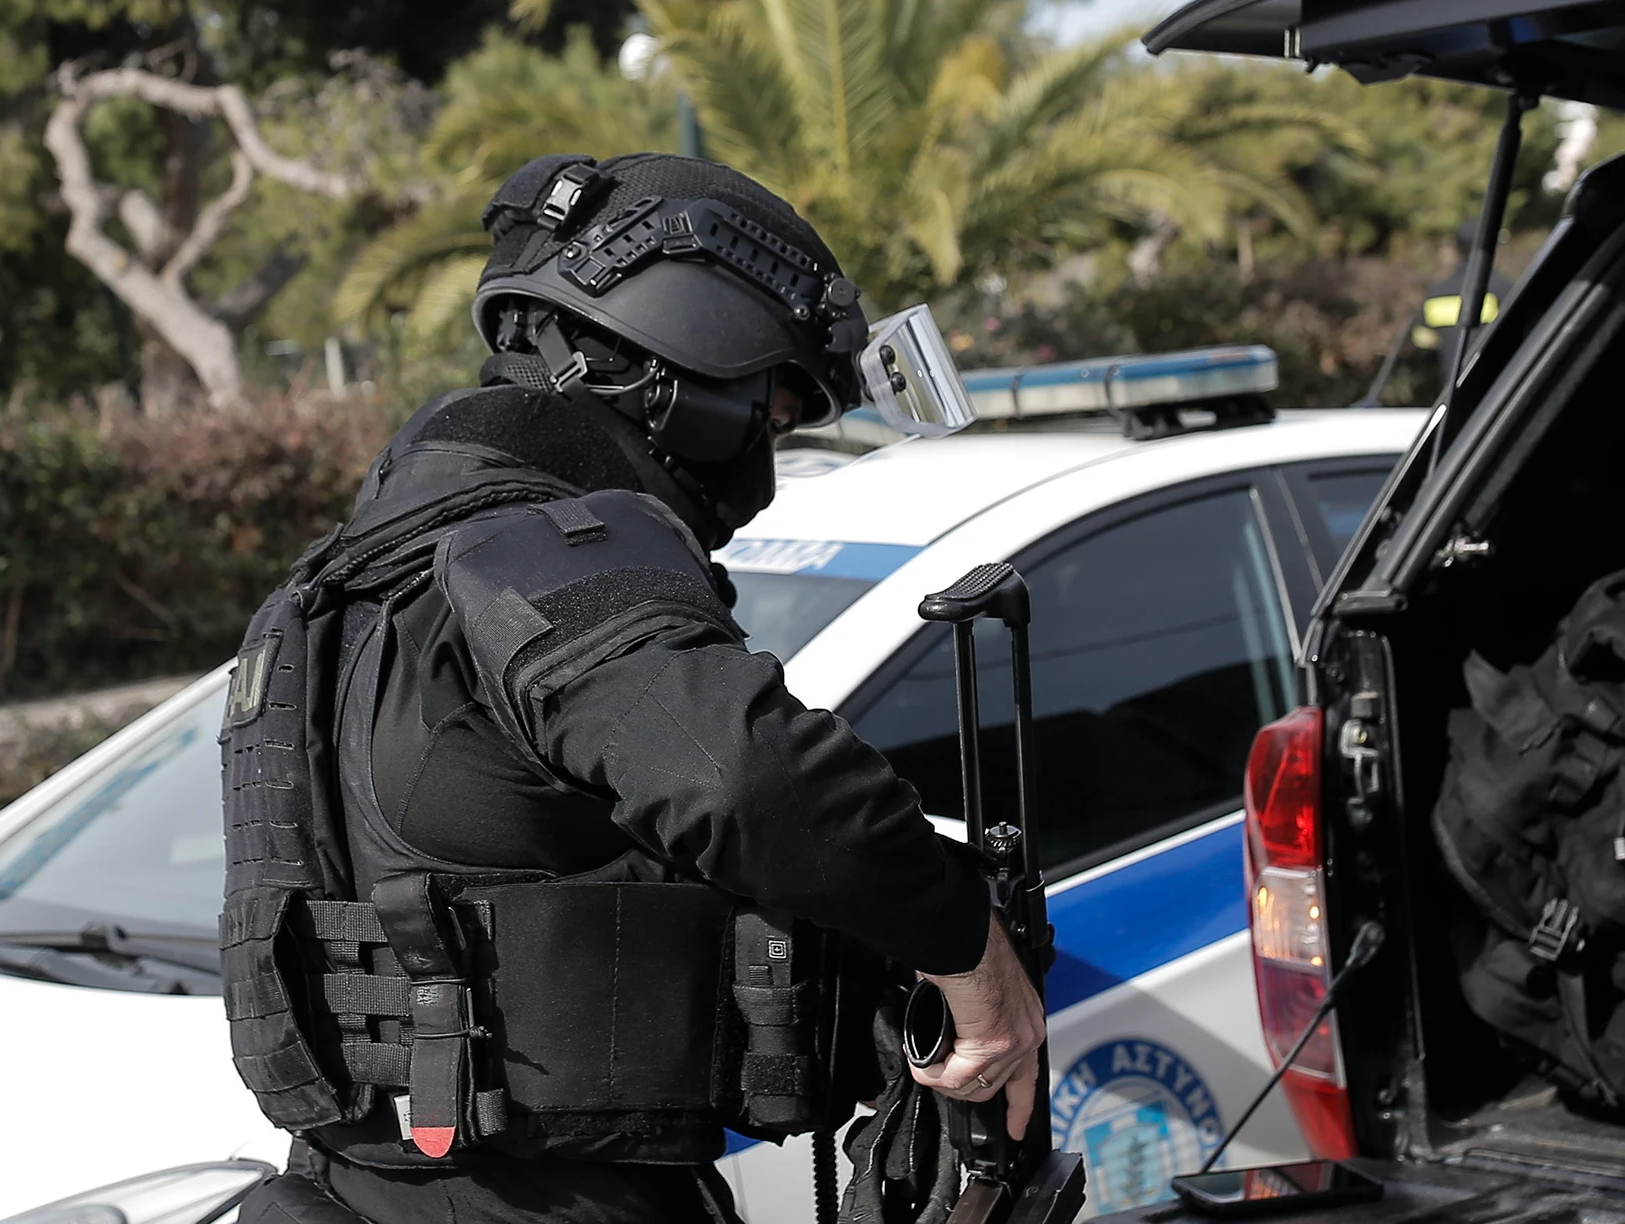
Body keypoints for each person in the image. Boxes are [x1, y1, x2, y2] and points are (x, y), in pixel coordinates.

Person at [224, 154, 1047, 1224]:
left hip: (360, 1186)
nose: (769, 455)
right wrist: (967, 941)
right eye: (776, 413)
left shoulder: (356, 572)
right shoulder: (547, 552)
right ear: (690, 369)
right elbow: (746, 775)